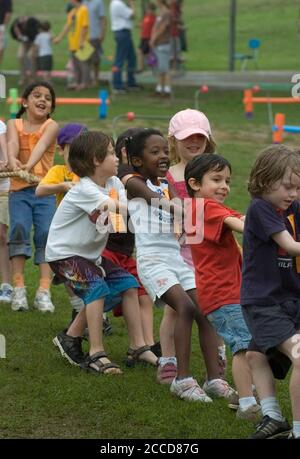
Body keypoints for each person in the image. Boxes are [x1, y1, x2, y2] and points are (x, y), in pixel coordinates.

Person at [125, 128, 236, 402]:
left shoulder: (167, 183)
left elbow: (186, 206)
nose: (163, 155)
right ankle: (183, 380)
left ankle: (214, 380)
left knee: (206, 309)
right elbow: (163, 203)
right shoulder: (133, 181)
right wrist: (181, 208)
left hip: (177, 258)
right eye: (155, 152)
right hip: (152, 261)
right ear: (138, 160)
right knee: (185, 307)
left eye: (165, 150)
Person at [46, 130, 158, 373]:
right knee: (96, 289)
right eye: (110, 153)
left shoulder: (113, 183)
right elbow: (111, 205)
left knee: (129, 284)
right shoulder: (84, 188)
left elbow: (123, 207)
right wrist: (146, 207)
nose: (116, 158)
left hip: (89, 256)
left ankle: (138, 346)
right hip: (63, 255)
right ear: (97, 160)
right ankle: (96, 352)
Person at [184, 153, 261, 421]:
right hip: (223, 293)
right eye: (216, 179)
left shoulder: (197, 207)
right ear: (194, 183)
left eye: (227, 180)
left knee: (247, 343)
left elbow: (238, 216)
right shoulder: (206, 207)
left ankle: (244, 395)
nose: (224, 186)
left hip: (218, 292)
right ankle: (248, 404)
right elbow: (243, 226)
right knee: (243, 347)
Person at [161, 108, 226, 384]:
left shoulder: (214, 173)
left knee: (214, 302)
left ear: (208, 139)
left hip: (207, 248)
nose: (193, 142)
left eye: (199, 137)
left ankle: (217, 352)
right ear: (173, 140)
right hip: (179, 250)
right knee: (175, 308)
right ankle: (168, 359)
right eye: (187, 137)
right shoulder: (168, 175)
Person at [241, 144, 300, 439]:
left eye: (298, 187)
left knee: (256, 356)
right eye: (287, 186)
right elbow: (289, 247)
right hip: (263, 301)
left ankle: (273, 417)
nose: (293, 193)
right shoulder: (261, 208)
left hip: (291, 298)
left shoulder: (292, 207)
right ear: (264, 179)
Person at [36, 123, 112, 335]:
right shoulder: (59, 171)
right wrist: (61, 185)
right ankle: (83, 317)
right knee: (73, 279)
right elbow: (40, 190)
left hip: (88, 236)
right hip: (68, 237)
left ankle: (92, 318)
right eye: (73, 147)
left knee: (92, 276)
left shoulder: (89, 176)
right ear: (61, 150)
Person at [102, 127, 161, 356]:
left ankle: (146, 344)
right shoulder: (121, 177)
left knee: (142, 293)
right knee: (100, 297)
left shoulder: (141, 179)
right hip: (107, 249)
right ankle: (73, 333)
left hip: (125, 253)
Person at [6, 81, 58, 312]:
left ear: (50, 107)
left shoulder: (51, 125)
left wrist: (28, 165)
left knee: (46, 234)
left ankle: (43, 291)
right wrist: (13, 161)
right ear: (25, 102)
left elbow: (42, 146)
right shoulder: (13, 123)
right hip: (19, 190)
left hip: (43, 191)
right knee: (17, 228)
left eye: (47, 98)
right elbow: (11, 143)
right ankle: (18, 288)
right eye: (37, 95)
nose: (43, 100)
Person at [54, 0, 90, 90]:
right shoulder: (73, 11)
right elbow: (68, 26)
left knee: (83, 63)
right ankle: (77, 82)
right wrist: (60, 37)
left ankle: (84, 83)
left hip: (82, 42)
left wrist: (81, 41)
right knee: (75, 63)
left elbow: (85, 27)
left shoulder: (84, 10)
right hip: (73, 42)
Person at [109, 0, 140, 93]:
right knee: (120, 59)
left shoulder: (118, 3)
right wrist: (132, 3)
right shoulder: (118, 4)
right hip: (122, 33)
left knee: (132, 58)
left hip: (124, 33)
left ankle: (131, 82)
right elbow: (132, 15)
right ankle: (117, 84)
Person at [0, 119, 12, 303]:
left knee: (1, 237)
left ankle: (6, 285)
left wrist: (5, 162)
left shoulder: (0, 126)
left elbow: (6, 159)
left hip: (2, 188)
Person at [149, 0, 172, 96]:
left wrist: (153, 38)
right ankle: (159, 88)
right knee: (159, 68)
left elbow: (162, 28)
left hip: (163, 44)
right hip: (157, 44)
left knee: (164, 68)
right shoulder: (160, 13)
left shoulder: (166, 13)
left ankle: (167, 89)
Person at [10, 16, 40, 85]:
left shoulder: (33, 23)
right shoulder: (16, 25)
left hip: (34, 41)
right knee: (20, 56)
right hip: (24, 42)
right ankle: (23, 77)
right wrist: (20, 36)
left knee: (31, 56)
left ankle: (32, 78)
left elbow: (37, 35)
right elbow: (16, 34)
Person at [84, 0, 106, 87]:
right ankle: (86, 79)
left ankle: (96, 79)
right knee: (84, 59)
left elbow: (103, 19)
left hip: (95, 35)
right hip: (85, 36)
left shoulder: (98, 2)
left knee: (95, 60)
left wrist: (102, 33)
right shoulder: (83, 2)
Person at [137, 2, 156, 73]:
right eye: (148, 10)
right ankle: (150, 67)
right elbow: (143, 25)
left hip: (148, 38)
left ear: (153, 10)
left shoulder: (154, 18)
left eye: (150, 10)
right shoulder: (146, 17)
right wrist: (139, 25)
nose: (149, 11)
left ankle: (141, 68)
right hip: (143, 37)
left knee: (142, 52)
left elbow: (155, 28)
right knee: (146, 53)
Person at [0, 0, 12, 68]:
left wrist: (4, 26)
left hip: (1, 26)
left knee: (1, 48)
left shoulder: (7, 1)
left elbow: (8, 13)